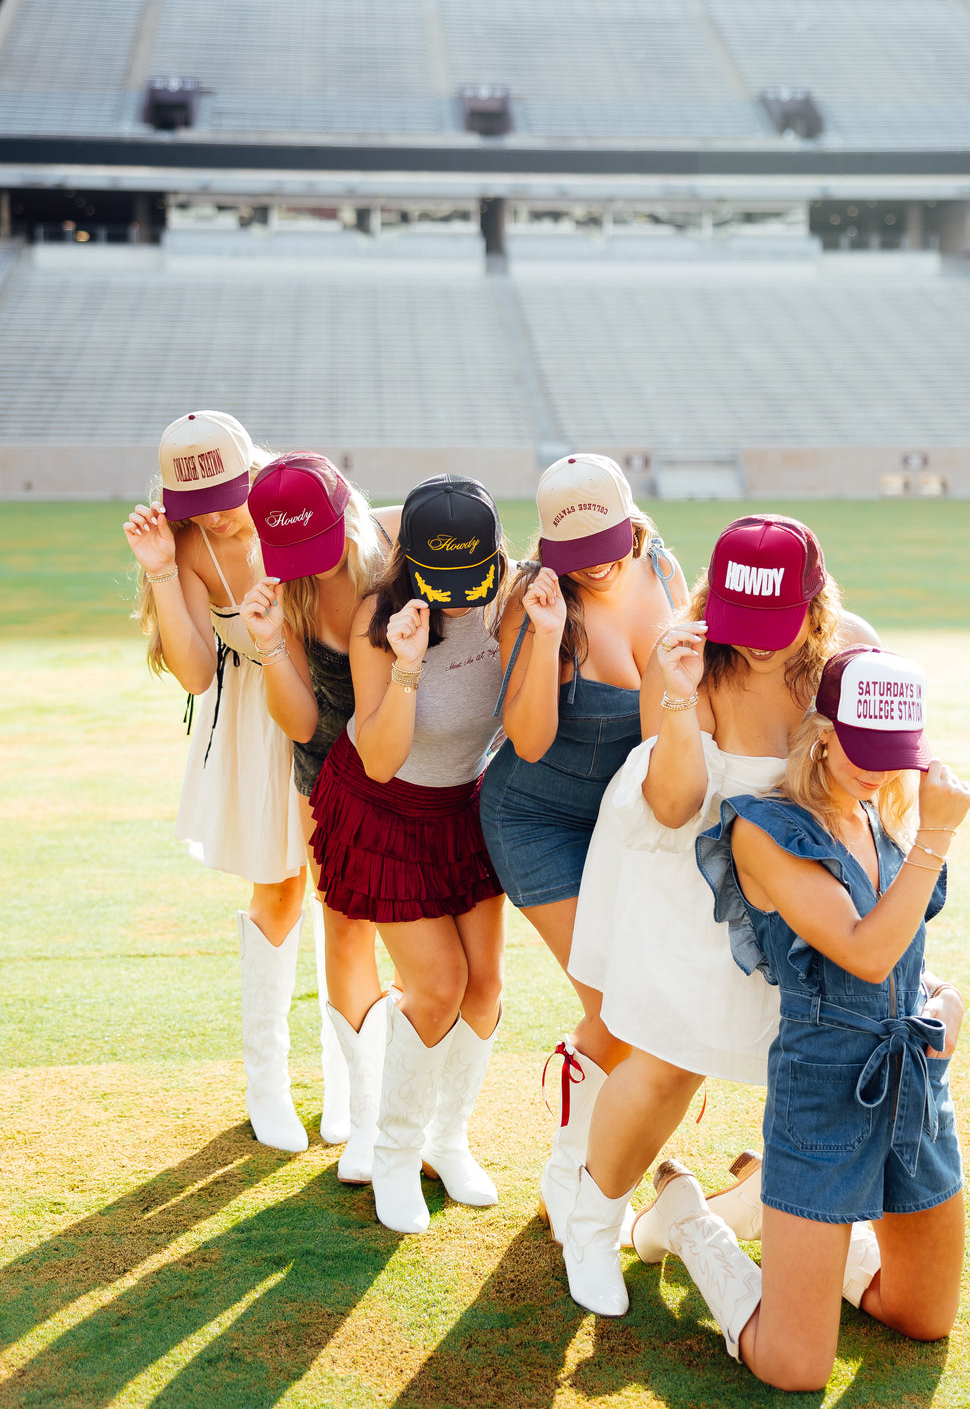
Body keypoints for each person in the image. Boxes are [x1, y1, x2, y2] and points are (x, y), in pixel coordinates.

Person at [630, 646, 970, 1393]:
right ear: (822, 730)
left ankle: (792, 1224)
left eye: (896, 754)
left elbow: (905, 963)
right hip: (823, 1095)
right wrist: (937, 839)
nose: (880, 770)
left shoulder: (877, 819)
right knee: (795, 1366)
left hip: (912, 1085)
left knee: (924, 1314)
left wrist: (944, 1000)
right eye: (865, 748)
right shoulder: (767, 828)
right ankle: (687, 1216)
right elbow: (863, 952)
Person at [561, 513, 878, 1311]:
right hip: (695, 892)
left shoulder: (848, 654)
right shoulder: (692, 657)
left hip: (805, 890)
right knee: (668, 1063)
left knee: (819, 1057)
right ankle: (591, 1224)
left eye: (780, 623)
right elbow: (671, 806)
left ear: (815, 605)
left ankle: (818, 1218)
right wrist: (673, 698)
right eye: (747, 621)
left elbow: (880, 779)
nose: (762, 644)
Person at [477, 453, 687, 1244]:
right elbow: (527, 741)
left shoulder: (663, 567)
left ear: (631, 522)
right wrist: (547, 632)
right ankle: (572, 1175)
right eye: (574, 552)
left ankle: (575, 1174)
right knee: (616, 1006)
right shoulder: (533, 601)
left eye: (605, 542)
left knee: (643, 1009)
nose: (593, 564)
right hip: (536, 816)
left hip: (626, 822)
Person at [309, 475, 509, 1234]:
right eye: (442, 582)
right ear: (410, 563)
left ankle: (444, 1142)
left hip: (465, 807)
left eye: (472, 580)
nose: (459, 598)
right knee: (437, 986)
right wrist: (408, 665)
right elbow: (384, 758)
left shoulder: (510, 596)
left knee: (485, 986)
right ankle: (392, 1153)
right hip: (387, 807)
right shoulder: (379, 615)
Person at [124, 411, 313, 1153]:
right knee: (281, 885)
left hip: (331, 695)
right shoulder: (187, 542)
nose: (222, 510)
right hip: (254, 712)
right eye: (200, 501)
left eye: (230, 489)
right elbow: (198, 671)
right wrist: (163, 566)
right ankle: (267, 1080)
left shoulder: (294, 494)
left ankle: (351, 1087)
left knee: (347, 889)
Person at [238, 452, 401, 1171]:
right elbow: (302, 724)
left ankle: (398, 1112)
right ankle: (365, 1114)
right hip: (330, 777)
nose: (307, 564)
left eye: (317, 542)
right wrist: (272, 643)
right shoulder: (289, 589)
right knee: (346, 928)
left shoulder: (399, 548)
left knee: (423, 945)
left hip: (411, 768)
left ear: (351, 509)